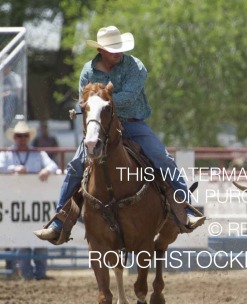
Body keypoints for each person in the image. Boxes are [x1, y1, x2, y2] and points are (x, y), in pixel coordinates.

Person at [34, 25, 204, 244]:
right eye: (112, 48)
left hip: (132, 125)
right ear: (101, 50)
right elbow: (84, 100)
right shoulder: (88, 71)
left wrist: (103, 100)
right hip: (100, 127)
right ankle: (59, 222)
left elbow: (131, 97)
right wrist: (96, 106)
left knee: (161, 157)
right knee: (76, 165)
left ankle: (186, 208)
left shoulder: (135, 66)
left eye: (119, 48)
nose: (117, 52)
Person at [0, 120, 59, 280]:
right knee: (21, 240)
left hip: (35, 204)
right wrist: (13, 170)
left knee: (40, 238)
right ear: (14, 137)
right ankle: (26, 274)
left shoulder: (38, 153)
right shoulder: (6, 154)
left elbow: (53, 166)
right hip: (16, 205)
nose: (22, 138)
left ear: (28, 137)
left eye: (24, 135)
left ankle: (40, 274)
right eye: (19, 136)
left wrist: (46, 170)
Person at [2, 59, 23, 130]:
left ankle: (6, 122)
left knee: (11, 97)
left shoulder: (14, 77)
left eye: (6, 67)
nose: (5, 69)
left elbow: (18, 88)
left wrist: (7, 92)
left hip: (12, 98)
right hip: (2, 97)